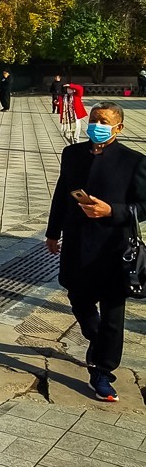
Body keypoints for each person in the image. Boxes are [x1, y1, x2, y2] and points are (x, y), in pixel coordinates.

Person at [46, 103, 146, 401]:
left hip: (115, 248)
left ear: (119, 128)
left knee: (113, 314)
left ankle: (102, 371)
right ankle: (99, 339)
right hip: (77, 243)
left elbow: (143, 206)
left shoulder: (134, 161)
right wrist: (53, 232)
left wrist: (112, 210)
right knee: (78, 297)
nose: (97, 125)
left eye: (104, 121)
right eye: (94, 119)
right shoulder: (72, 154)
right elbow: (62, 194)